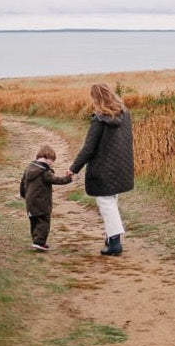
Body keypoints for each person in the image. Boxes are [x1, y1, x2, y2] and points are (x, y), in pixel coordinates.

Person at [68, 83, 134, 256]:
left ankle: (114, 242)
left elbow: (88, 148)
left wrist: (73, 169)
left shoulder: (99, 119)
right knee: (112, 201)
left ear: (97, 98)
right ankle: (111, 238)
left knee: (106, 203)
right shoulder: (125, 115)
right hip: (122, 166)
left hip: (104, 168)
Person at [19, 144, 72, 250]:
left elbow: (22, 183)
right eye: (52, 160)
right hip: (42, 202)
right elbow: (56, 180)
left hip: (30, 202)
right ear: (48, 158)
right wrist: (68, 178)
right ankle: (39, 242)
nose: (52, 163)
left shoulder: (29, 168)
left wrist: (23, 194)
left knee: (34, 221)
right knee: (44, 222)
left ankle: (36, 240)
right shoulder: (44, 172)